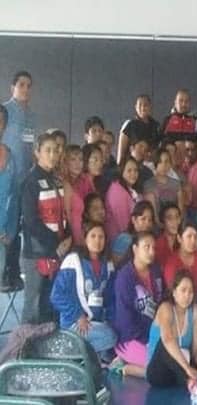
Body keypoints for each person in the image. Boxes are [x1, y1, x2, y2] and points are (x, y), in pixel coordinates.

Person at [21, 131, 70, 324]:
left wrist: (67, 238)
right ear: (37, 152)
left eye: (55, 150)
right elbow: (31, 221)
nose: (52, 155)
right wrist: (56, 242)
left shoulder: (57, 180)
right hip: (37, 253)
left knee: (51, 304)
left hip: (57, 251)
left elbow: (63, 215)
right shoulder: (30, 181)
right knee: (33, 307)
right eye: (47, 150)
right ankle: (24, 342)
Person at [50, 222, 117, 358]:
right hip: (75, 323)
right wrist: (78, 315)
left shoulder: (108, 265)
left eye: (101, 237)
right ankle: (71, 354)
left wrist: (111, 319)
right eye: (93, 236)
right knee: (111, 337)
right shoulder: (73, 260)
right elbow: (57, 296)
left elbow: (110, 298)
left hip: (97, 322)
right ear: (85, 239)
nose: (97, 241)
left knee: (115, 335)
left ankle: (85, 357)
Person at [111, 232, 164, 378]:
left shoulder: (156, 272)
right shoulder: (124, 277)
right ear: (135, 249)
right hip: (131, 338)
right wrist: (146, 340)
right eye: (146, 247)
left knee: (172, 364)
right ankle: (125, 368)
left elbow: (162, 304)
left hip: (154, 335)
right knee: (159, 370)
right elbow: (125, 319)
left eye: (153, 248)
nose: (151, 252)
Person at [144, 271, 197, 396]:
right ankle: (190, 382)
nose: (187, 295)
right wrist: (187, 368)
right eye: (183, 290)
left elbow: (196, 348)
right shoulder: (165, 308)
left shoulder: (195, 311)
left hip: (178, 372)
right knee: (165, 344)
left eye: (191, 291)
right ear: (174, 292)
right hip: (159, 372)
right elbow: (167, 339)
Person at [163, 223, 197, 293]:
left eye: (195, 237)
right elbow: (172, 290)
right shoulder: (171, 262)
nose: (193, 241)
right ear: (179, 238)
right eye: (189, 236)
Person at [105, 157, 142, 242]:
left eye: (135, 170)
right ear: (121, 172)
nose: (133, 174)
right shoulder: (117, 190)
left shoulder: (131, 190)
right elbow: (123, 225)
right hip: (121, 240)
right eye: (129, 170)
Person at [118, 94, 161, 164]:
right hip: (133, 164)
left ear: (150, 106)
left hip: (151, 163)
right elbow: (121, 152)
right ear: (135, 107)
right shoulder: (129, 124)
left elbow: (158, 147)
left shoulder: (156, 125)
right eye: (140, 105)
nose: (143, 108)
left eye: (146, 105)